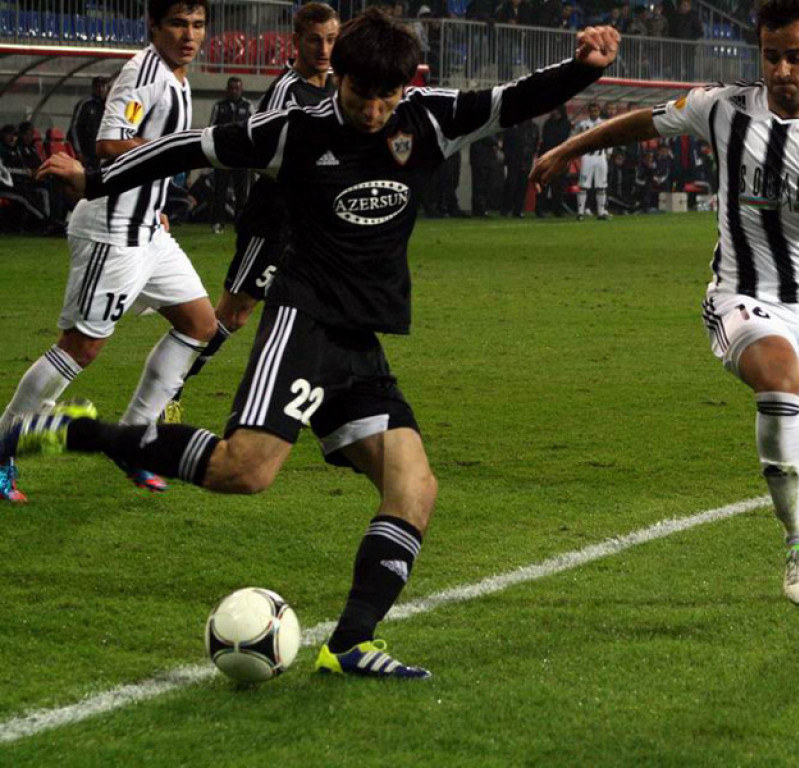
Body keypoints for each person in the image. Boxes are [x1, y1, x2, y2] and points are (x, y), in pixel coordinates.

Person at [26, 10, 620, 677]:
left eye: (386, 97)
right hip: (302, 320)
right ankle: (77, 433)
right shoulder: (294, 130)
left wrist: (583, 68)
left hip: (360, 339)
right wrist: (96, 180)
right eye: (360, 93)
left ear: (405, 87)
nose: (372, 110)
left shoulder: (429, 118)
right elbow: (188, 147)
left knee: (414, 486)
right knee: (245, 472)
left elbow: (516, 100)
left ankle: (350, 645)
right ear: (338, 76)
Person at [532, 0, 799, 612]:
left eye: (796, 57)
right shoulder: (723, 106)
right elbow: (643, 123)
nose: (782, 70)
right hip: (741, 294)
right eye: (772, 56)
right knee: (778, 376)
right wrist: (570, 147)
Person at [0, 0, 216, 503]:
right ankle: (2, 447)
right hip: (113, 232)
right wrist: (176, 153)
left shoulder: (177, 76)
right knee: (80, 347)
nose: (189, 35)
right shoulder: (144, 72)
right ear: (154, 26)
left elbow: (147, 151)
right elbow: (110, 142)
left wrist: (156, 200)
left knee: (199, 324)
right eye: (178, 24)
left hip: (148, 229)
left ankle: (134, 442)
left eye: (198, 25)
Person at [168, 1, 340, 421]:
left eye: (331, 40)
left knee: (320, 308)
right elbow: (258, 154)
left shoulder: (337, 86)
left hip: (314, 225)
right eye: (315, 40)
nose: (323, 49)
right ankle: (171, 386)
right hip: (275, 220)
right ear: (296, 41)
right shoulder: (286, 92)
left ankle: (314, 402)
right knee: (233, 314)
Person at [208, 77, 253, 233]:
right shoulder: (219, 106)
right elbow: (210, 129)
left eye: (237, 88)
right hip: (223, 155)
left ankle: (240, 223)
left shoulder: (248, 106)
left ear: (241, 90)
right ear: (227, 89)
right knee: (219, 190)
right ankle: (217, 222)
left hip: (241, 156)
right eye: (232, 88)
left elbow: (253, 129)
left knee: (242, 192)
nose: (234, 91)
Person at [574, 100, 610, 220]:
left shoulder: (605, 123)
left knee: (601, 185)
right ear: (588, 112)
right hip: (587, 157)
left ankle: (601, 212)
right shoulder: (582, 124)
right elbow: (574, 137)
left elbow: (611, 137)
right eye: (592, 111)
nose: (594, 113)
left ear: (599, 111)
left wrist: (609, 152)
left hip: (601, 157)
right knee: (583, 185)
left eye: (596, 111)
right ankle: (580, 212)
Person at [535, 105, 571, 217]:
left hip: (560, 158)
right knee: (544, 184)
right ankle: (540, 208)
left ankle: (557, 208)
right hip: (549, 156)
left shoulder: (565, 124)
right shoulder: (548, 124)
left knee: (558, 186)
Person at [68, 76, 109, 171]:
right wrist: (78, 151)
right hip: (87, 152)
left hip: (102, 151)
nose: (100, 89)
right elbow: (74, 128)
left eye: (103, 86)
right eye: (98, 86)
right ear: (93, 88)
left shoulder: (109, 105)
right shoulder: (85, 104)